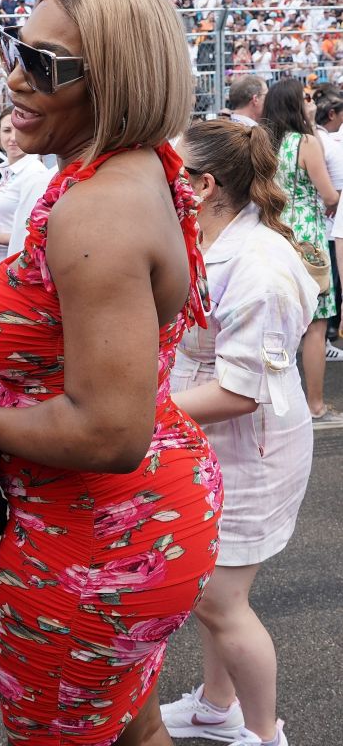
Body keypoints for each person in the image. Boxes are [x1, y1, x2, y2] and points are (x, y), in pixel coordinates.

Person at [0, 0, 222, 746]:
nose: (13, 78)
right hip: (132, 526)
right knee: (131, 730)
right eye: (13, 49)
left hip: (94, 539)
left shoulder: (97, 209)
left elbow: (107, 431)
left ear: (113, 82)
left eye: (43, 67)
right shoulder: (122, 169)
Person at [160, 120, 319, 746]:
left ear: (202, 186)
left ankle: (261, 732)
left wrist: (139, 413)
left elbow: (240, 391)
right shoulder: (207, 235)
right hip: (211, 439)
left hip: (251, 452)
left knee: (221, 602)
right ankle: (216, 708)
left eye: (168, 171)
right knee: (208, 591)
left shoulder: (258, 265)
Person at [262, 78, 343, 429]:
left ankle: (275, 406)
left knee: (276, 321)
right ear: (295, 104)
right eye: (306, 97)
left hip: (272, 233)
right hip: (308, 238)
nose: (311, 103)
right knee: (315, 323)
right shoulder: (305, 142)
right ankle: (314, 404)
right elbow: (328, 195)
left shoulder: (262, 141)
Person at [0, 105, 54, 268]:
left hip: (17, 268)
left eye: (19, 129)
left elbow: (39, 236)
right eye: (6, 130)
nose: (13, 137)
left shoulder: (34, 174)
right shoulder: (8, 170)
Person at [312, 85, 343, 355]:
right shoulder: (320, 142)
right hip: (324, 224)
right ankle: (327, 336)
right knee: (327, 282)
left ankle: (327, 335)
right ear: (331, 113)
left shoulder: (315, 138)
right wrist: (334, 199)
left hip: (322, 222)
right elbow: (332, 195)